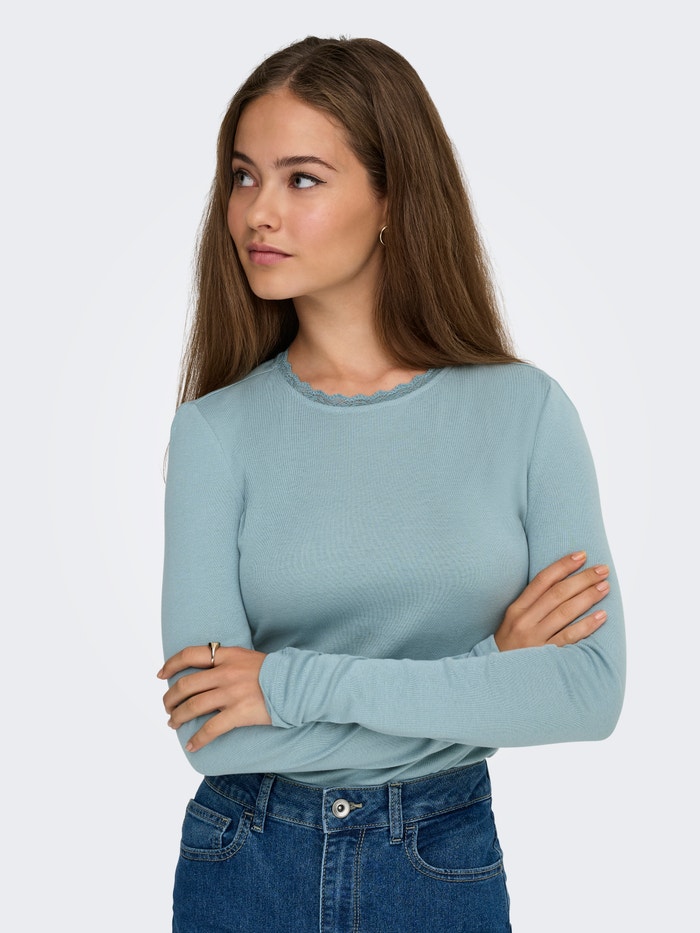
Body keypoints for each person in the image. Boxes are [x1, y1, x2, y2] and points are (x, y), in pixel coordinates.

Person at [158, 35, 625, 933]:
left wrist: (287, 684)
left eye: (302, 178)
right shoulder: (214, 433)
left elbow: (587, 693)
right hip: (246, 863)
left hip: (439, 863)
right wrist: (490, 672)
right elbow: (213, 732)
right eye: (244, 176)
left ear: (391, 198)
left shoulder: (526, 413)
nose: (258, 212)